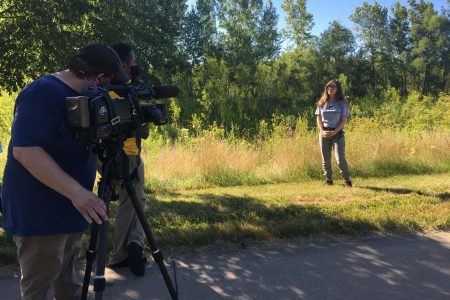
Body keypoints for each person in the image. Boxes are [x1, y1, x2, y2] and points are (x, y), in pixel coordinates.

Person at [1, 43, 127, 299]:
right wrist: (77, 192)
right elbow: (25, 151)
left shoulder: (87, 99)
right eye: (107, 82)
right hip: (41, 214)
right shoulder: (43, 92)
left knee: (68, 282)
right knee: (40, 288)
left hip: (73, 207)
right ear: (100, 77)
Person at [106, 42, 149, 276]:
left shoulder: (101, 89)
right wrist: (147, 113)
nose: (135, 65)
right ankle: (122, 252)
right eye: (133, 61)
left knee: (136, 201)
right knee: (132, 203)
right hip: (129, 154)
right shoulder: (128, 94)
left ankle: (133, 244)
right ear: (123, 63)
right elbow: (143, 132)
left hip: (103, 157)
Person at [315, 79, 352, 187]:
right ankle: (328, 180)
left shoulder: (342, 104)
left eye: (333, 86)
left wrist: (335, 131)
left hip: (337, 134)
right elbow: (319, 118)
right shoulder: (322, 103)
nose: (330, 88)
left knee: (340, 159)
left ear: (338, 89)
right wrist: (322, 131)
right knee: (326, 159)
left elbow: (343, 120)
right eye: (329, 86)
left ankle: (347, 180)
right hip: (324, 134)